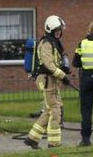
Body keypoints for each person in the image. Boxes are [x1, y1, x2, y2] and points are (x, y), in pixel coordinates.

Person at [25, 15, 70, 149]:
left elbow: (55, 62)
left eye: (60, 30)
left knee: (49, 110)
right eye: (56, 30)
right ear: (50, 30)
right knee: (55, 110)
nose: (58, 32)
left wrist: (63, 70)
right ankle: (54, 143)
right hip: (47, 80)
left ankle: (32, 139)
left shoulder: (53, 42)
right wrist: (62, 75)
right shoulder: (46, 43)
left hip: (52, 80)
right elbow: (48, 64)